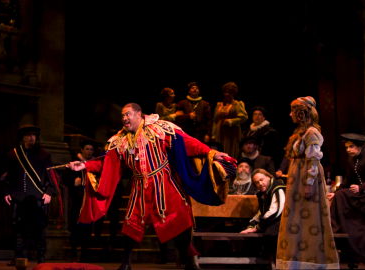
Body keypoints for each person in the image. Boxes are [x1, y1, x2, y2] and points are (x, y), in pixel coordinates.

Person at [67, 103, 235, 270]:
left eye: (128, 114)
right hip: (140, 188)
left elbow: (187, 143)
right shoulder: (119, 140)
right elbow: (107, 163)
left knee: (179, 224)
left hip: (165, 184)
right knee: (130, 224)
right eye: (123, 116)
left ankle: (189, 260)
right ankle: (126, 263)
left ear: (139, 114)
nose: (124, 118)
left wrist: (210, 152)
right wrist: (85, 166)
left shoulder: (160, 129)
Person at [275, 96, 339, 269]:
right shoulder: (299, 133)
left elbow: (313, 159)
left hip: (305, 179)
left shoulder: (312, 133)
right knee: (295, 218)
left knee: (309, 217)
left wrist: (309, 183)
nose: (290, 115)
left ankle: (313, 261)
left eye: (293, 112)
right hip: (297, 178)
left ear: (301, 113)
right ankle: (294, 259)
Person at [1, 124, 61, 264]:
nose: (32, 138)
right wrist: (6, 192)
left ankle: (41, 257)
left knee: (39, 229)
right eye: (28, 135)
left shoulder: (44, 155)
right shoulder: (13, 154)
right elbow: (6, 176)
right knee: (19, 229)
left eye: (34, 135)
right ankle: (19, 257)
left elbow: (50, 176)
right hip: (18, 196)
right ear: (22, 138)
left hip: (37, 196)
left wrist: (49, 193)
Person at [327, 133, 365, 263]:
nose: (348, 150)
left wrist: (362, 188)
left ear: (360, 147)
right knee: (340, 195)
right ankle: (339, 231)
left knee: (342, 196)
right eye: (346, 147)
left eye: (351, 147)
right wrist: (335, 192)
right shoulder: (351, 159)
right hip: (359, 195)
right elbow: (347, 180)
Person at [63, 140, 101, 261]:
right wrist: (74, 181)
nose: (89, 152)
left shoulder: (95, 164)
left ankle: (85, 254)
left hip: (89, 199)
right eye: (87, 149)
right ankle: (74, 251)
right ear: (82, 150)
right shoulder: (75, 163)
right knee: (75, 226)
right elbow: (65, 178)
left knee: (87, 228)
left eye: (91, 149)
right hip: (77, 199)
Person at [240, 168, 286, 235]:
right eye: (257, 182)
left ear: (268, 177)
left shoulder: (277, 187)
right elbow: (261, 212)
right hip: (269, 221)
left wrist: (257, 227)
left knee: (269, 234)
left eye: (261, 180)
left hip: (281, 222)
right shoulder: (263, 193)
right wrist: (252, 224)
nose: (260, 184)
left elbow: (275, 211)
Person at [212, 81, 248, 158]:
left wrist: (231, 121)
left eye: (229, 92)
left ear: (233, 94)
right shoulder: (219, 105)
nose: (227, 94)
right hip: (220, 133)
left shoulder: (237, 104)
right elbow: (215, 120)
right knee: (219, 150)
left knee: (230, 152)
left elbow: (244, 117)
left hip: (231, 133)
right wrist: (213, 134)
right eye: (225, 92)